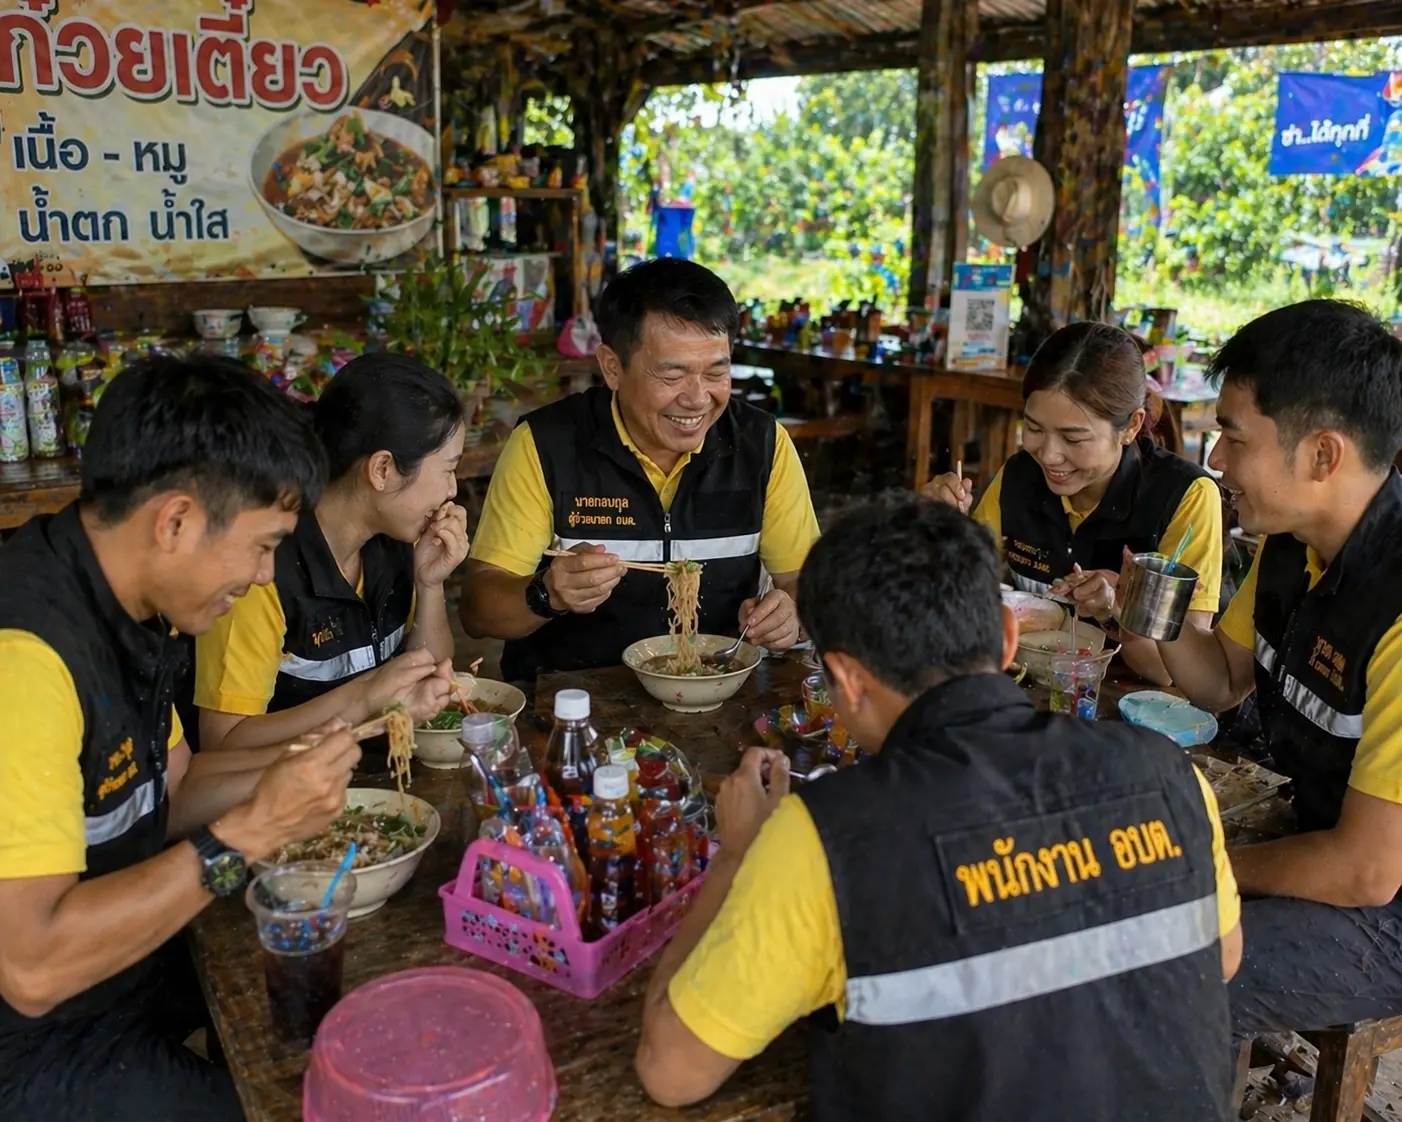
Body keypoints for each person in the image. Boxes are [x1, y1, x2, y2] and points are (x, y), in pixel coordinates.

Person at [635, 497, 1242, 1120]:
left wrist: (738, 854)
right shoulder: (1170, 775)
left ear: (844, 679)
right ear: (1009, 641)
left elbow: (671, 1072)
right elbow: (1221, 959)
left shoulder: (828, 836)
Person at [0, 356, 363, 1121]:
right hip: (35, 1040)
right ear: (174, 521)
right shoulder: (26, 657)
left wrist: (317, 758)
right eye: (264, 544)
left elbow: (173, 792)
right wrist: (255, 830)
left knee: (359, 1016)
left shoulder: (130, 600)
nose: (268, 577)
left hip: (130, 976)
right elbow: (30, 967)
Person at [1109, 300, 1402, 1040]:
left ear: (1322, 455)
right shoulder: (1290, 542)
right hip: (1320, 833)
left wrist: (1214, 864)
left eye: (1232, 438)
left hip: (1385, 909)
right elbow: (1218, 682)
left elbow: (1367, 871)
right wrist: (1154, 607)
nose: (1213, 461)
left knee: (1151, 965)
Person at [458, 258, 820, 684]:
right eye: (672, 374)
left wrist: (792, 614)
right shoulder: (547, 444)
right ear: (612, 367)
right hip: (573, 709)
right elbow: (478, 610)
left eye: (716, 372)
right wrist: (547, 594)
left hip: (716, 698)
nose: (698, 399)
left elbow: (806, 585)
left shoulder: (762, 445)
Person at [924, 321, 1224, 686]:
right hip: (1026, 684)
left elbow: (1174, 674)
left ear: (1131, 426)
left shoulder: (1185, 498)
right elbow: (956, 592)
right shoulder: (1019, 476)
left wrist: (1122, 608)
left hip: (1131, 705)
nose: (1049, 455)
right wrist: (931, 528)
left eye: (1073, 437)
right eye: (1034, 429)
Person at [195, 354, 463, 752]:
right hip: (281, 797)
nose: (453, 489)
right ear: (383, 470)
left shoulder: (394, 541)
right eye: (448, 468)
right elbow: (224, 742)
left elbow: (430, 680)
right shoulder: (261, 570)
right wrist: (361, 699)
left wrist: (430, 584)